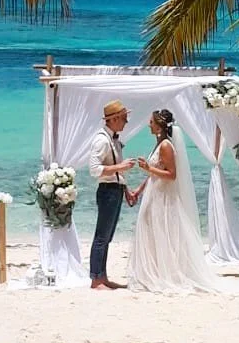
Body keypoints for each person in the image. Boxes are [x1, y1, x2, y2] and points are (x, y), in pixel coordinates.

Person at [128, 108, 222, 293]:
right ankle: (154, 272)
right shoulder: (158, 143)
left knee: (163, 233)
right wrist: (139, 189)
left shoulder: (166, 146)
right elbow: (155, 174)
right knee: (151, 231)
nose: (149, 125)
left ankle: (165, 274)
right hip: (153, 194)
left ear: (160, 126)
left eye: (152, 122)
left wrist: (148, 168)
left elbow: (172, 175)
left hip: (163, 197)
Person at [88, 99, 136, 290]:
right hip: (107, 191)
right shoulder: (101, 140)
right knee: (101, 236)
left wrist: (125, 189)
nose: (126, 122)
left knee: (107, 236)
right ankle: (96, 278)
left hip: (115, 189)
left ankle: (103, 276)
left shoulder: (113, 138)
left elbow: (116, 172)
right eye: (124, 118)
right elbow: (94, 169)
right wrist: (121, 167)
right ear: (114, 119)